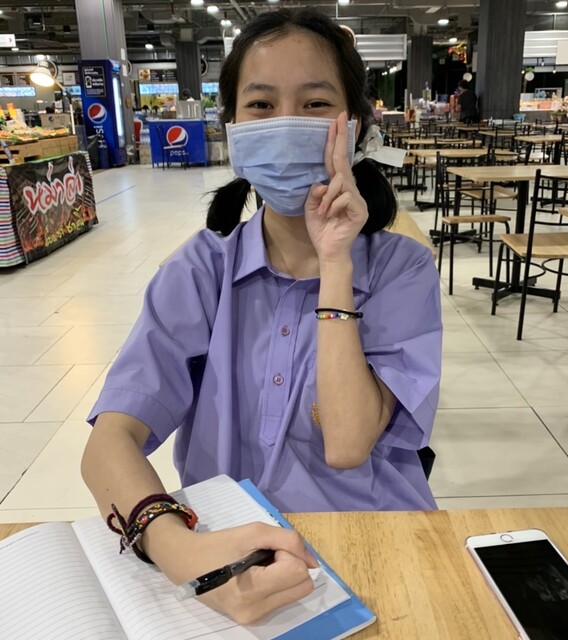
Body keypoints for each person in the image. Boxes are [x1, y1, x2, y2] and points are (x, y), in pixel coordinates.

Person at [81, 7, 441, 623]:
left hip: (374, 539)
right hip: (227, 549)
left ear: (356, 126)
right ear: (232, 127)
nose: (285, 123)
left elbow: (348, 444)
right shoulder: (202, 270)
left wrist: (335, 264)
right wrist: (181, 551)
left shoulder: (401, 270)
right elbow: (109, 441)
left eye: (316, 103)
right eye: (261, 105)